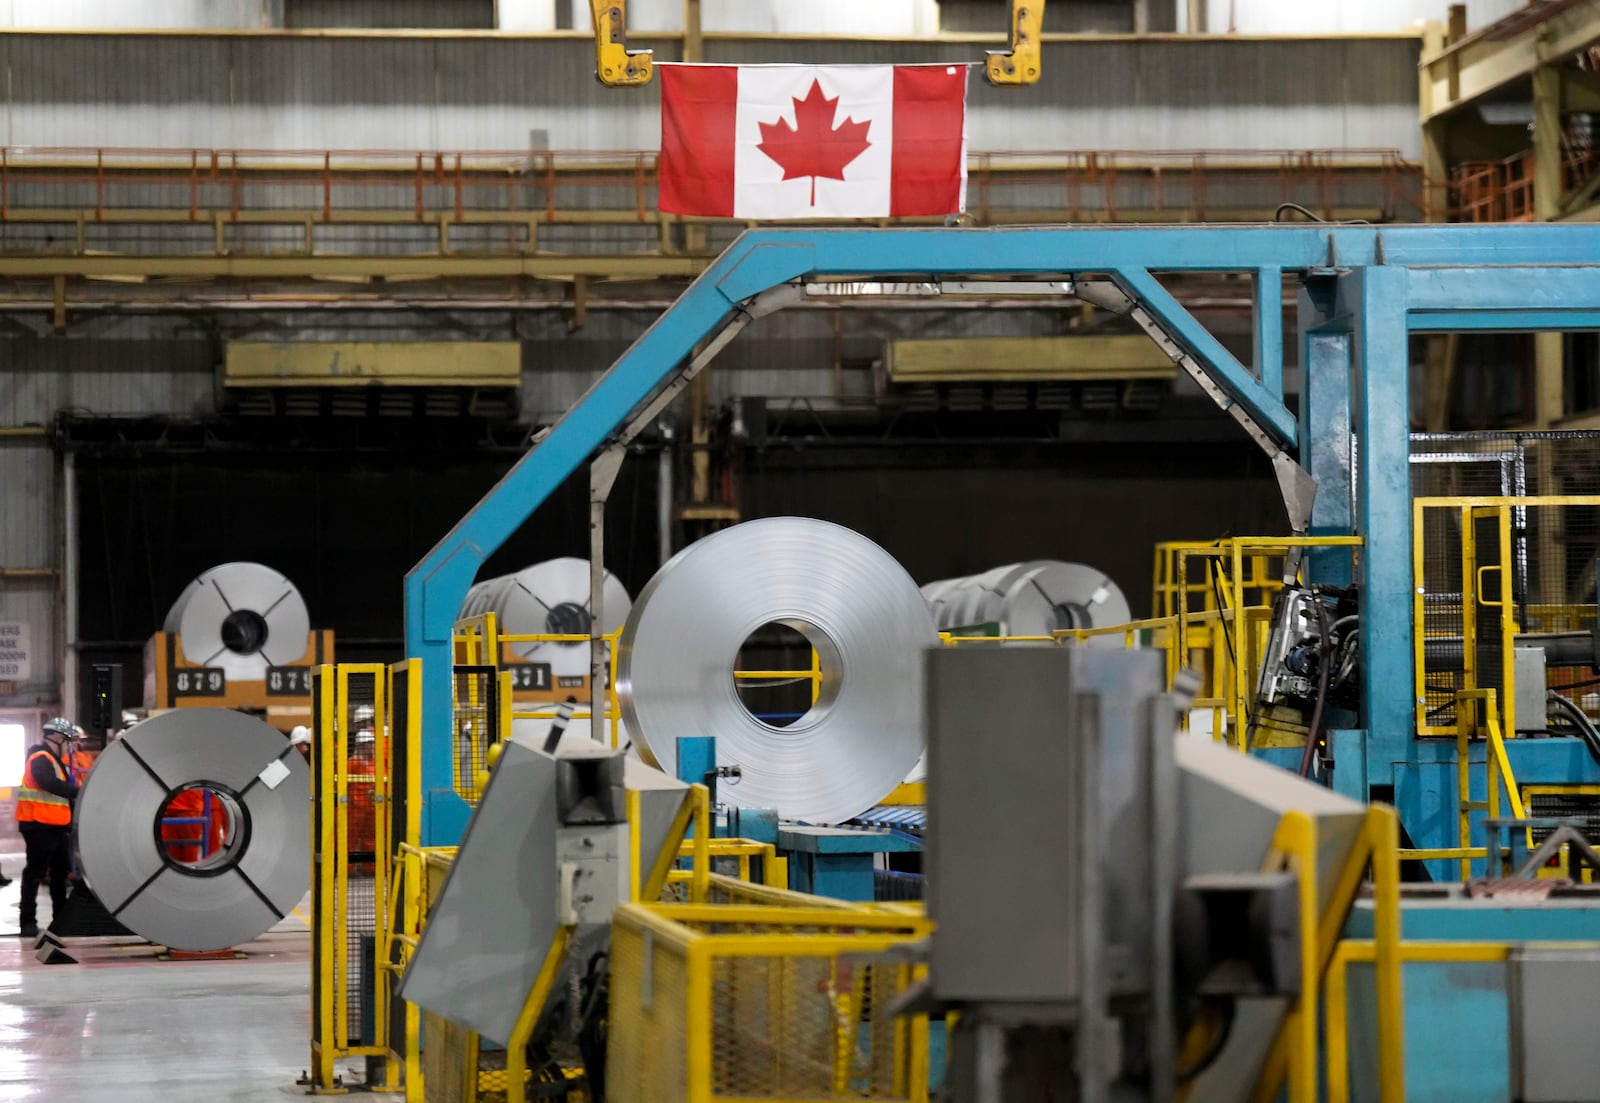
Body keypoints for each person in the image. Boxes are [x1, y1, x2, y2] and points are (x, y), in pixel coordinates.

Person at [14, 716, 80, 938]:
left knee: (60, 874)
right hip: (38, 825)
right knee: (36, 872)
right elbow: (48, 783)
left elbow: (61, 795)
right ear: (58, 737)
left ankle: (60, 921)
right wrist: (81, 792)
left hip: (57, 826)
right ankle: (28, 922)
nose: (71, 745)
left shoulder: (54, 760)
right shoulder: (40, 757)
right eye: (68, 739)